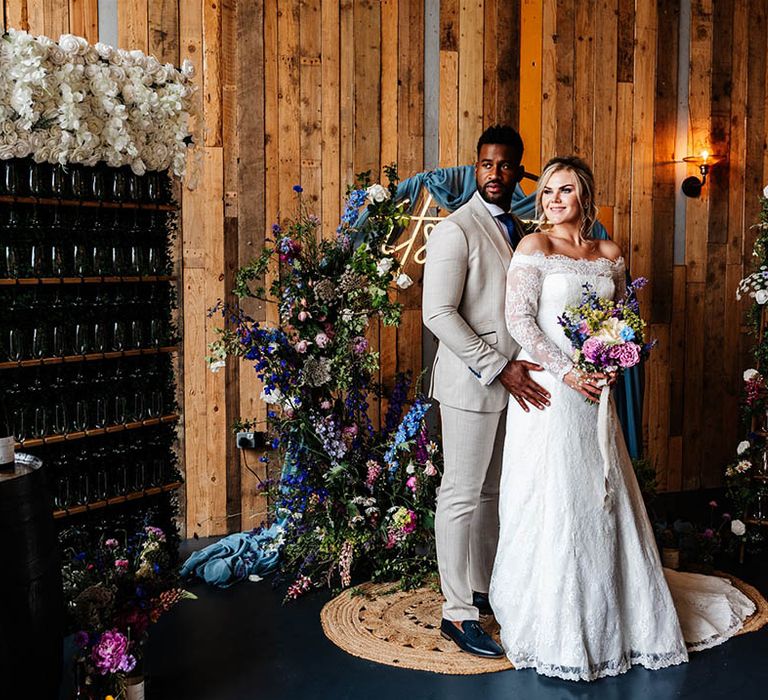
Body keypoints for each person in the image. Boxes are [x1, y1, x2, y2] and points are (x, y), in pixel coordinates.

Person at [489, 156, 755, 680]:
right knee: (558, 493)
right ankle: (558, 622)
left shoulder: (609, 254)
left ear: (585, 196)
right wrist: (569, 372)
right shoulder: (533, 247)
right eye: (547, 192)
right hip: (553, 392)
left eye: (565, 190)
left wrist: (615, 357)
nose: (554, 200)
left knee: (600, 490)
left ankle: (619, 612)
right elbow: (519, 321)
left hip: (597, 392)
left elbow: (622, 321)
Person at [422, 125, 551, 658]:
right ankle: (456, 613)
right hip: (472, 383)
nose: (495, 174)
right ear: (475, 168)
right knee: (459, 494)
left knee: (492, 493)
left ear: (520, 173)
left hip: (511, 383)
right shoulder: (457, 229)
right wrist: (499, 367)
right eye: (486, 164)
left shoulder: (519, 228)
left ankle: (483, 589)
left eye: (505, 166)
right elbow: (438, 314)